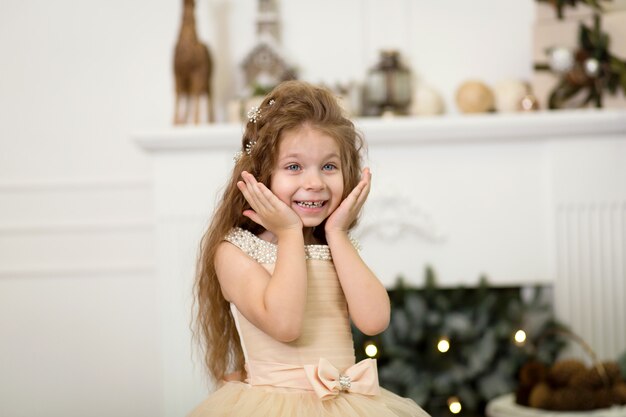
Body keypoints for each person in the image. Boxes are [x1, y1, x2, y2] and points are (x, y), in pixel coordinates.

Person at [190, 80, 429, 417]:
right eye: (294, 167)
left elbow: (374, 320)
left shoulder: (334, 245)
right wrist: (288, 233)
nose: (315, 182)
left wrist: (338, 234)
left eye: (328, 166)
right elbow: (285, 325)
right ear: (260, 175)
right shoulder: (234, 252)